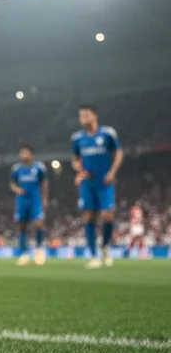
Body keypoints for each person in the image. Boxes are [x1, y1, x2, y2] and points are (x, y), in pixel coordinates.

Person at [71, 105, 122, 268]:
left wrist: (112, 172)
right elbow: (75, 159)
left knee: (108, 216)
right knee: (89, 217)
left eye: (86, 115)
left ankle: (105, 245)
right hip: (87, 183)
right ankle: (93, 255)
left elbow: (119, 153)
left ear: (94, 116)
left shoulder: (107, 133)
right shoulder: (77, 138)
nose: (83, 119)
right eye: (80, 116)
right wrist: (80, 171)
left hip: (105, 181)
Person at [10, 145, 48, 266]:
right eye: (21, 153)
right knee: (22, 226)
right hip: (21, 200)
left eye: (26, 153)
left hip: (35, 199)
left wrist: (45, 198)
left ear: (32, 155)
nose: (23, 155)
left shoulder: (39, 167)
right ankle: (24, 254)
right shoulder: (16, 169)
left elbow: (44, 183)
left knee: (38, 223)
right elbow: (12, 184)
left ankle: (39, 250)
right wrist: (17, 190)